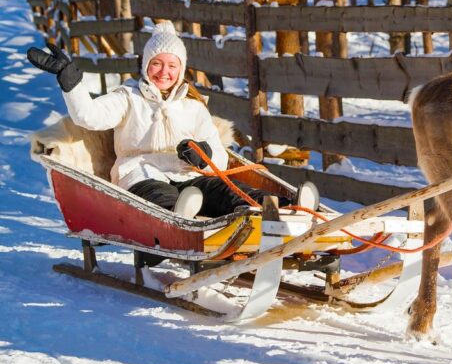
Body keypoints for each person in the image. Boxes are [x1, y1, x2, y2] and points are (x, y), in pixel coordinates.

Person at [27, 22, 278, 220]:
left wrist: (204, 155)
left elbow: (220, 158)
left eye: (171, 65)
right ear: (146, 65)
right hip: (139, 174)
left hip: (187, 175)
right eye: (157, 64)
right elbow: (88, 116)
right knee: (161, 196)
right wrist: (72, 84)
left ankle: (278, 208)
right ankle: (179, 220)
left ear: (181, 69)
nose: (164, 72)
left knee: (225, 191)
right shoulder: (128, 97)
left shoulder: (193, 105)